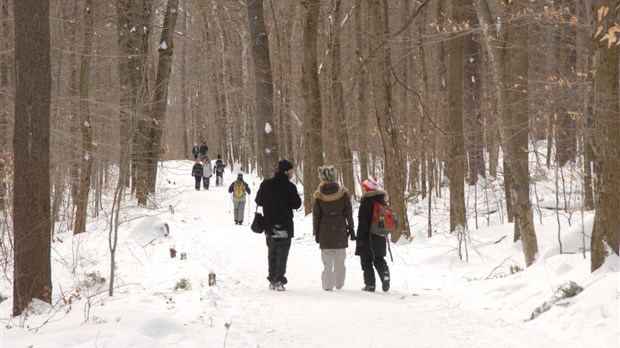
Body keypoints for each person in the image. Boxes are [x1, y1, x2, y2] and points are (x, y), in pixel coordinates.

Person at [255, 159, 302, 291]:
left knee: (272, 251)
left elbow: (258, 200)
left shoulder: (266, 184)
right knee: (283, 252)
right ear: (286, 171)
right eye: (291, 170)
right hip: (285, 224)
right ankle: (279, 279)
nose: (292, 172)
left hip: (269, 224)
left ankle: (272, 279)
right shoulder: (290, 187)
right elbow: (297, 204)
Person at [313, 165, 355, 291]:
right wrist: (351, 228)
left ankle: (327, 285)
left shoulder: (319, 196)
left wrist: (316, 232)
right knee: (340, 259)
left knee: (327, 260)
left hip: (325, 230)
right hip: (340, 228)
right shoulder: (342, 193)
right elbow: (348, 212)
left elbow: (316, 216)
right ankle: (339, 283)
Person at [355, 177, 390, 292]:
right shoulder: (382, 200)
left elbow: (362, 221)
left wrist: (359, 237)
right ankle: (385, 274)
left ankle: (370, 285)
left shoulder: (366, 201)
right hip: (380, 234)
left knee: (366, 260)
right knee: (379, 258)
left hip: (367, 236)